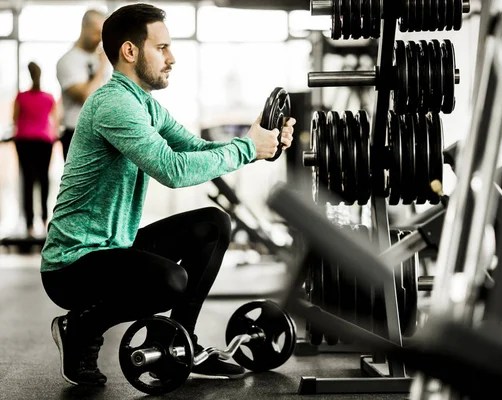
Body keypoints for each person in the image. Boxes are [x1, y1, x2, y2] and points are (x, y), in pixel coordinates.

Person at [40, 3, 296, 387]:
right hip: (73, 266)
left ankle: (180, 343)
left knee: (214, 224)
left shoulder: (145, 105)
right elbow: (172, 170)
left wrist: (259, 142)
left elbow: (194, 149)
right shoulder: (113, 103)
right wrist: (247, 149)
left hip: (115, 249)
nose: (171, 58)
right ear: (130, 51)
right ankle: (80, 327)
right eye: (162, 48)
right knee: (170, 281)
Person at [12, 62, 60, 237]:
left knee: (28, 181)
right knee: (44, 179)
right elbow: (55, 119)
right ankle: (46, 219)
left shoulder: (21, 97)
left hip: (24, 141)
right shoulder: (49, 97)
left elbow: (15, 118)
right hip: (44, 142)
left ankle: (30, 224)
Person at [56, 9, 110, 160]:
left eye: (102, 32)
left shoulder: (101, 57)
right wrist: (101, 68)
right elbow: (86, 97)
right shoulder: (68, 60)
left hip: (101, 132)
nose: (100, 38)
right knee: (80, 184)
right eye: (96, 31)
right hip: (76, 133)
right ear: (84, 27)